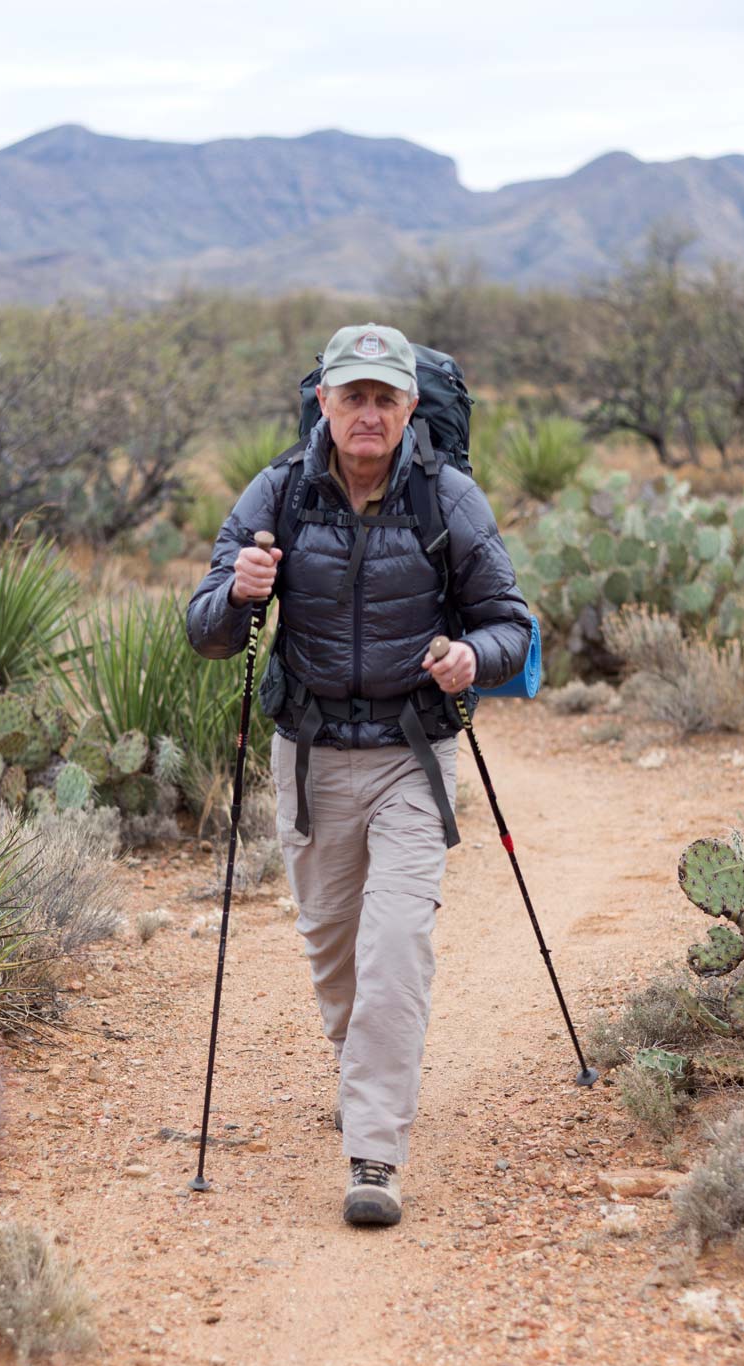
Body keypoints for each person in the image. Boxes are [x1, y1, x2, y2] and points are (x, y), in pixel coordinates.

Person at [187, 322, 531, 1227]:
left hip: (413, 756)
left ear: (411, 406)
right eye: (354, 396)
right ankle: (360, 1064)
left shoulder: (448, 499)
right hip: (307, 756)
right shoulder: (276, 495)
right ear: (324, 403)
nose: (369, 413)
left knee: (393, 950)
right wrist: (239, 592)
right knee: (332, 945)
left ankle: (374, 1148)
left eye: (386, 396)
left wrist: (470, 657)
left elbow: (512, 626)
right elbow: (204, 629)